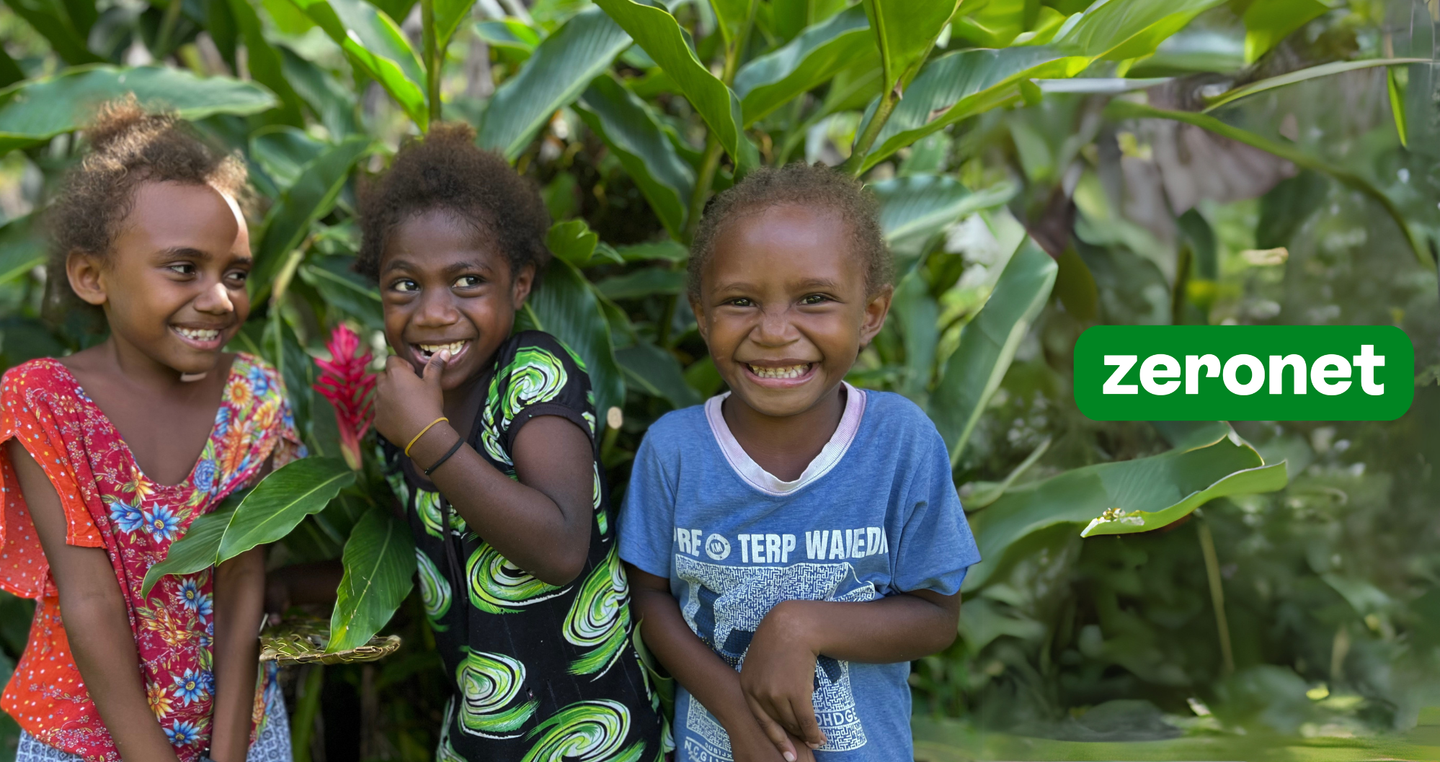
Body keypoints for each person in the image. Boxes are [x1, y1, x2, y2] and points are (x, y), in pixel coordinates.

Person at [617, 162, 980, 762]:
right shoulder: (674, 450)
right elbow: (649, 599)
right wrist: (736, 712)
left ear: (871, 313)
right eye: (740, 301)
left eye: (814, 299)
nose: (775, 331)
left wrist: (800, 625)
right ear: (702, 314)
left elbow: (936, 616)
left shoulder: (900, 443)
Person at [324, 122, 662, 760]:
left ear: (522, 285)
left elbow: (562, 546)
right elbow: (413, 561)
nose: (431, 312)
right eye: (405, 285)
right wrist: (291, 588)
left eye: (467, 282)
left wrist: (429, 438)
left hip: (593, 740)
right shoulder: (401, 415)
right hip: (480, 738)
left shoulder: (532, 378)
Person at [0, 97, 301, 762]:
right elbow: (89, 600)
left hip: (245, 728)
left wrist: (228, 755)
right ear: (91, 276)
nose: (220, 298)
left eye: (236, 273)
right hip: (84, 737)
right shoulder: (45, 402)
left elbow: (242, 578)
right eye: (184, 268)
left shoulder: (253, 397)